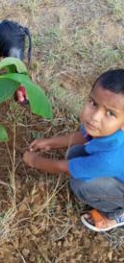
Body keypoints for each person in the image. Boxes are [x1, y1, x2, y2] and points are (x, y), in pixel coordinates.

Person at [23, 69, 124, 232]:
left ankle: (115, 213)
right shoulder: (105, 129)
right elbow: (84, 136)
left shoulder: (110, 158)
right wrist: (50, 143)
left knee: (82, 184)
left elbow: (64, 168)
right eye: (93, 103)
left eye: (110, 113)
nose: (95, 117)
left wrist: (34, 161)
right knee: (75, 153)